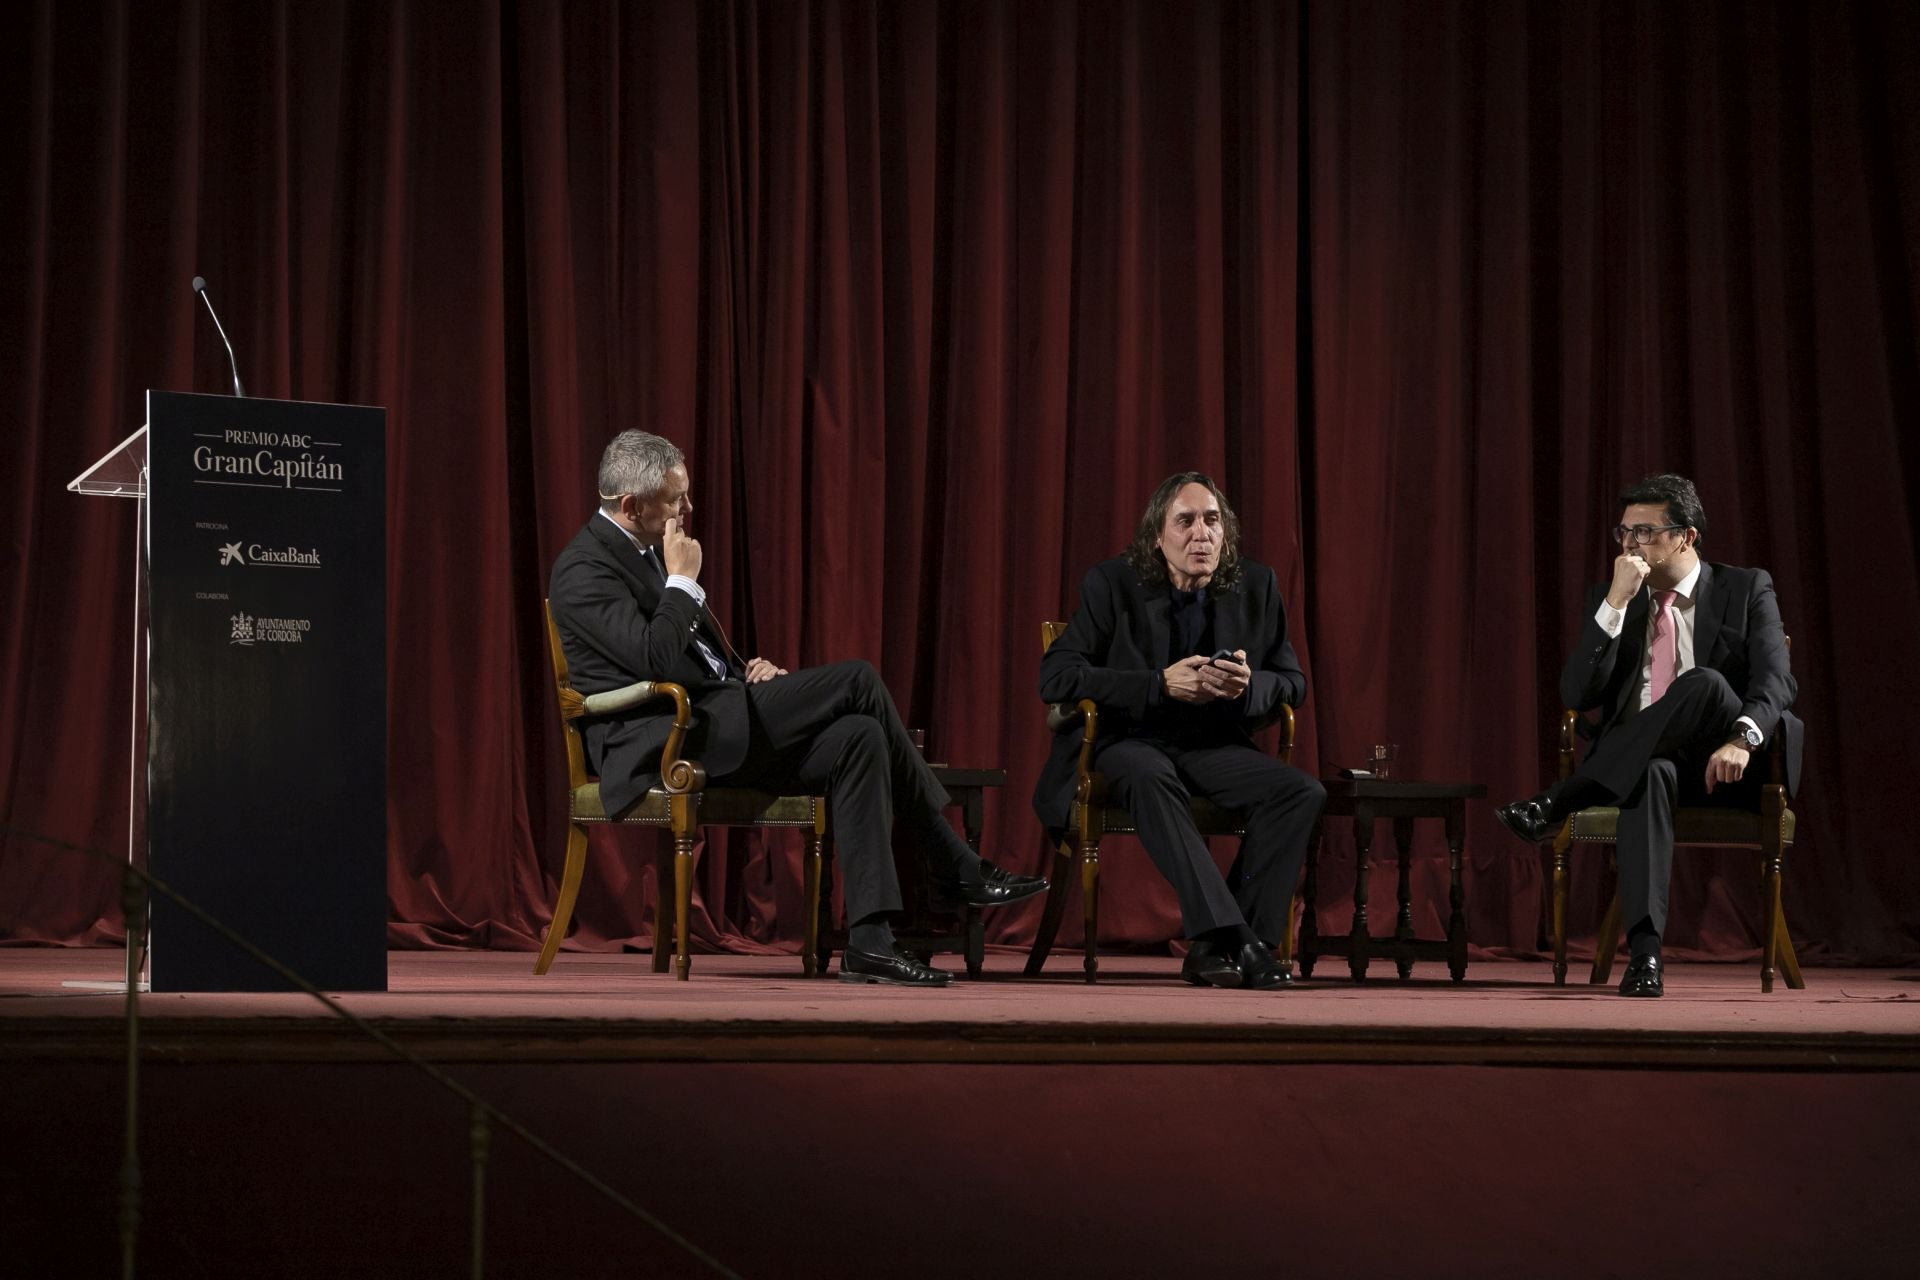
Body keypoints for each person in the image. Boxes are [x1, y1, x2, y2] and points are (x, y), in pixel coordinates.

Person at [548, 430, 1045, 986]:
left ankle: (870, 942)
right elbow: (652, 658)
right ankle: (953, 863)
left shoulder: (647, 551)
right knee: (857, 679)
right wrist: (683, 581)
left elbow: (690, 657)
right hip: (661, 738)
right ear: (631, 506)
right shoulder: (584, 569)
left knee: (860, 736)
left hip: (713, 715)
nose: (687, 508)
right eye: (675, 499)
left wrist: (743, 671)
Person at [1495, 473, 1801, 997]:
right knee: (1650, 772)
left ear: (1686, 536)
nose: (1631, 544)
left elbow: (1777, 680)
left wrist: (1743, 739)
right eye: (1625, 532)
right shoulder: (1614, 598)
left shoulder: (1746, 587)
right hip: (1639, 765)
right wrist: (1615, 603)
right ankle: (1645, 958)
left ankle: (1560, 800)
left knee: (1704, 682)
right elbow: (1576, 694)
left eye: (1645, 532)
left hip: (1729, 761)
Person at [1033, 472, 1326, 990]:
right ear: (1157, 536)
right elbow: (1057, 676)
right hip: (1127, 740)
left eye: (1212, 521)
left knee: (1300, 792)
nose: (1201, 534)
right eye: (1185, 521)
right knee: (1150, 773)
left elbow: (1293, 682)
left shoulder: (1256, 585)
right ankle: (1244, 943)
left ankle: (1215, 947)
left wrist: (1247, 687)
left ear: (1225, 532)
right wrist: (1158, 684)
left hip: (1210, 744)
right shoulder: (1113, 583)